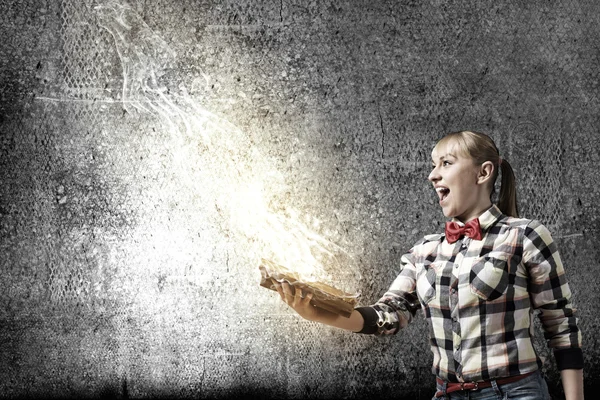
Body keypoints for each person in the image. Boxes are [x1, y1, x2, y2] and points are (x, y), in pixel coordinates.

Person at [273, 131, 584, 400]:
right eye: (433, 166)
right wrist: (317, 313)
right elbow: (388, 315)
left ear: (483, 172)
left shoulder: (525, 235)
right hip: (446, 392)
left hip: (515, 392)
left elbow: (561, 325)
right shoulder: (426, 249)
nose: (433, 175)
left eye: (446, 164)